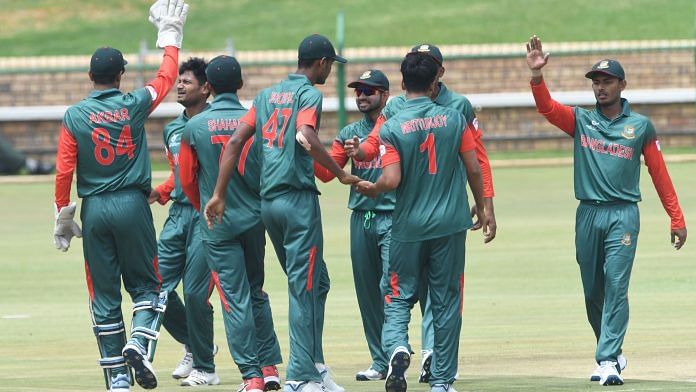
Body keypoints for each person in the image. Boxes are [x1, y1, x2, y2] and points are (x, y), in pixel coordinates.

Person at [525, 35, 687, 386]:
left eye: (607, 82)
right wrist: (537, 77)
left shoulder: (640, 126)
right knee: (592, 290)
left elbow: (659, 173)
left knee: (616, 284)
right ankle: (610, 346)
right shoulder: (581, 121)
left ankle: (608, 359)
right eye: (596, 82)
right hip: (588, 214)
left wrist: (677, 217)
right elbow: (547, 108)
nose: (600, 88)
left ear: (621, 85)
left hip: (623, 214)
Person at [203, 34, 358, 392]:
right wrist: (340, 172)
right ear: (320, 63)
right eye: (330, 64)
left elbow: (235, 143)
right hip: (297, 201)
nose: (329, 70)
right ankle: (300, 376)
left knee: (317, 281)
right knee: (303, 288)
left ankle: (315, 365)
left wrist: (218, 194)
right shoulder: (309, 94)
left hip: (269, 204)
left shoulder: (265, 96)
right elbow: (305, 136)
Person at [52, 1, 188, 391]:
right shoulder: (133, 104)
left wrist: (63, 214)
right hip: (132, 204)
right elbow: (165, 79)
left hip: (94, 210)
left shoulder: (74, 115)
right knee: (148, 285)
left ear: (90, 76)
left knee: (104, 296)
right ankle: (140, 344)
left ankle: (117, 380)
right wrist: (170, 37)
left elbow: (64, 169)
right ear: (121, 75)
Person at [345, 43, 497, 383]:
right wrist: (484, 205)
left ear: (401, 84)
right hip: (451, 223)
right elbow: (475, 167)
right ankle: (442, 381)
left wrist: (374, 187)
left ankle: (398, 347)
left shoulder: (394, 124)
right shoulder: (455, 118)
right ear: (434, 82)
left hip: (408, 225)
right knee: (446, 300)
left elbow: (391, 176)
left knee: (397, 296)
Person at [178, 55, 283, 392]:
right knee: (256, 292)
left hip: (218, 224)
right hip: (254, 217)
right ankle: (269, 369)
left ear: (208, 86)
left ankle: (251, 376)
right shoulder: (256, 120)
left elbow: (187, 180)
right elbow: (269, 168)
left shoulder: (194, 126)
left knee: (233, 298)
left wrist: (205, 208)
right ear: (240, 84)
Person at [313, 69, 392, 382]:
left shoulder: (395, 126)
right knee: (368, 291)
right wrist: (307, 147)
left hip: (392, 214)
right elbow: (326, 173)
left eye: (369, 91)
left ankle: (403, 347)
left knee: (391, 287)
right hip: (362, 217)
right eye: (358, 91)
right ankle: (380, 360)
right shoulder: (348, 132)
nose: (362, 96)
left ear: (384, 95)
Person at [148, 57, 220, 386]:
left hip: (207, 214)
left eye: (187, 81)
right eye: (178, 81)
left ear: (206, 88)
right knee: (154, 285)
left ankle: (205, 366)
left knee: (195, 293)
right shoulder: (172, 129)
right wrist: (159, 192)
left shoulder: (219, 124)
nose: (179, 85)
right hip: (178, 214)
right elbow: (180, 175)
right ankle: (194, 343)